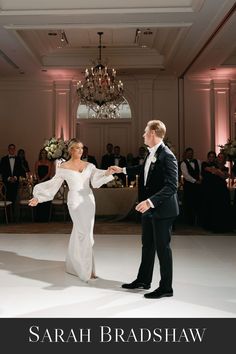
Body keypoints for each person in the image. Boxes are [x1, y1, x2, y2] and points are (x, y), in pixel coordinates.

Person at [111, 120, 179, 299]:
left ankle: (166, 288)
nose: (143, 135)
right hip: (149, 209)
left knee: (163, 248)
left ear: (154, 133)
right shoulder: (151, 154)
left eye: (145, 131)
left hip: (162, 210)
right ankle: (143, 280)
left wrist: (150, 202)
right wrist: (122, 169)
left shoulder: (168, 155)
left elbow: (172, 186)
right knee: (147, 245)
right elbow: (143, 170)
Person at [29, 138, 114, 281]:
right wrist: (39, 197)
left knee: (85, 232)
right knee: (83, 233)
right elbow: (53, 185)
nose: (80, 150)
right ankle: (86, 271)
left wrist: (107, 173)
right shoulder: (63, 167)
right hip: (74, 201)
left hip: (88, 200)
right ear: (70, 150)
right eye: (77, 148)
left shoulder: (90, 165)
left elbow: (96, 180)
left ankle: (75, 264)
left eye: (82, 148)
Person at [180, 147, 201, 225]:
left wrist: (200, 179)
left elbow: (199, 173)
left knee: (197, 203)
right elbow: (186, 176)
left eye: (191, 153)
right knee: (189, 204)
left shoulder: (198, 161)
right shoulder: (183, 163)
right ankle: (189, 222)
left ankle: (197, 221)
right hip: (189, 187)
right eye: (188, 153)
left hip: (197, 187)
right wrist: (195, 181)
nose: (190, 154)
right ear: (185, 154)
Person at [34, 148, 53, 222]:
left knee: (45, 200)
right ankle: (38, 218)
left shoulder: (49, 162)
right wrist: (39, 180)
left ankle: (45, 218)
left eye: (45, 153)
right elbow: (36, 172)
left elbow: (49, 173)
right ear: (40, 154)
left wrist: (42, 180)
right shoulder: (37, 162)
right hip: (39, 183)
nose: (43, 154)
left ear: (46, 154)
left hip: (46, 183)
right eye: (42, 153)